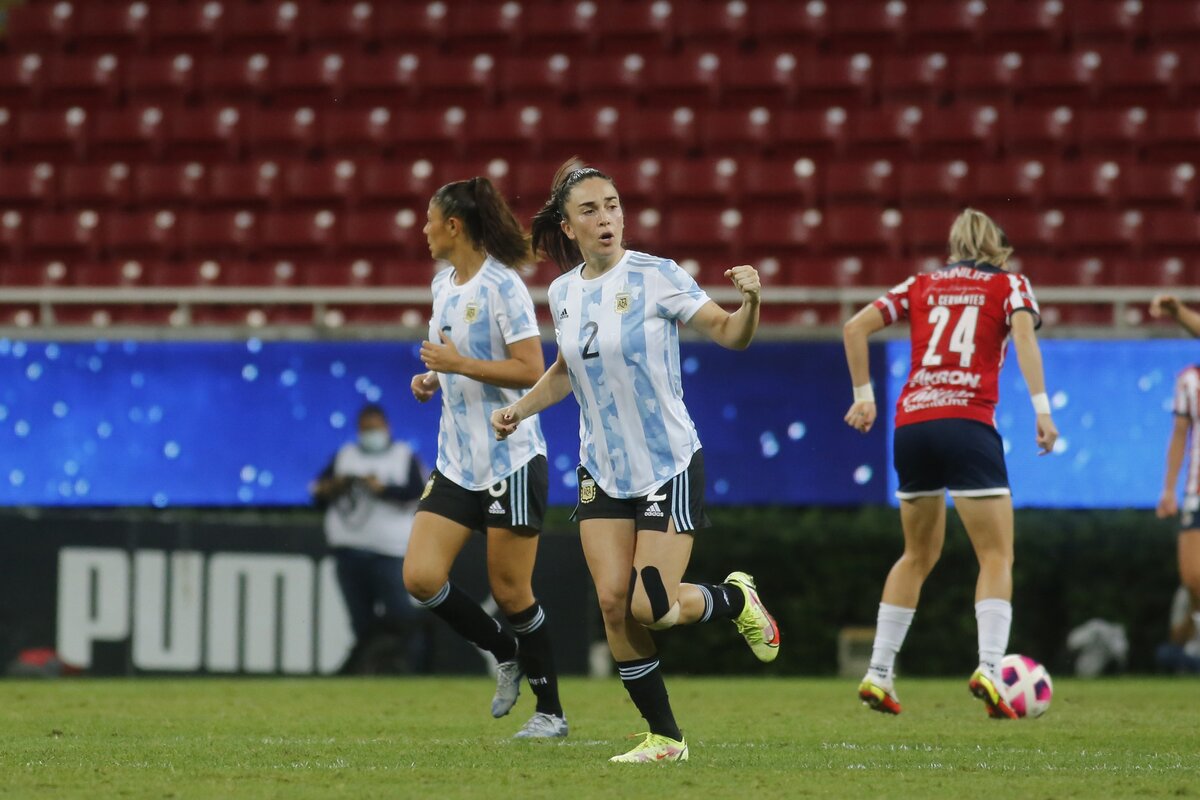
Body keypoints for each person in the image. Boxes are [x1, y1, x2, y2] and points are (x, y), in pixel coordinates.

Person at [491, 159, 780, 764]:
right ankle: (665, 739)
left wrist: (749, 302)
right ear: (568, 228)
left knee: (655, 607)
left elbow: (731, 334)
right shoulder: (564, 292)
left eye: (613, 205)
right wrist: (520, 409)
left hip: (667, 464)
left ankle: (733, 599)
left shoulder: (657, 276)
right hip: (602, 471)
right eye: (591, 210)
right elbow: (568, 370)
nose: (607, 218)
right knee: (614, 604)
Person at [842, 208, 1058, 718]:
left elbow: (854, 327)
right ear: (998, 249)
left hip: (912, 424)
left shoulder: (920, 284)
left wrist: (864, 396)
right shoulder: (1010, 285)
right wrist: (1043, 411)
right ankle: (989, 666)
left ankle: (877, 673)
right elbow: (1024, 337)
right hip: (967, 423)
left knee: (915, 556)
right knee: (996, 555)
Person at [403, 175, 567, 739]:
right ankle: (505, 654)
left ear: (454, 225)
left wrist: (456, 367)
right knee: (421, 577)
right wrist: (430, 378)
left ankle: (551, 713)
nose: (422, 229)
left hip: (511, 457)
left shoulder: (504, 287)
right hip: (456, 460)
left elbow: (530, 368)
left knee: (511, 590)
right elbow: (449, 359)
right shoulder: (442, 285)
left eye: (429, 219)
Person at [311, 404, 427, 674]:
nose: (371, 434)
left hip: (390, 552)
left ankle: (415, 670)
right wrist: (336, 486)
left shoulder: (403, 456)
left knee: (402, 616)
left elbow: (421, 494)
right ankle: (369, 672)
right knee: (361, 621)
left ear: (387, 428)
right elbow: (317, 493)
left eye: (375, 429)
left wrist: (383, 489)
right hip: (349, 551)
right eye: (365, 429)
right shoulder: (345, 456)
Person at [1150, 293, 1200, 653]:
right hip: (1196, 490)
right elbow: (1179, 437)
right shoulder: (1189, 382)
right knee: (1193, 577)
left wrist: (1178, 311)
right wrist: (1169, 489)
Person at [1155, 586, 1200, 674]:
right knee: (1164, 653)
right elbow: (1176, 639)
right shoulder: (1184, 593)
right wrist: (1194, 607)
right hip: (1190, 653)